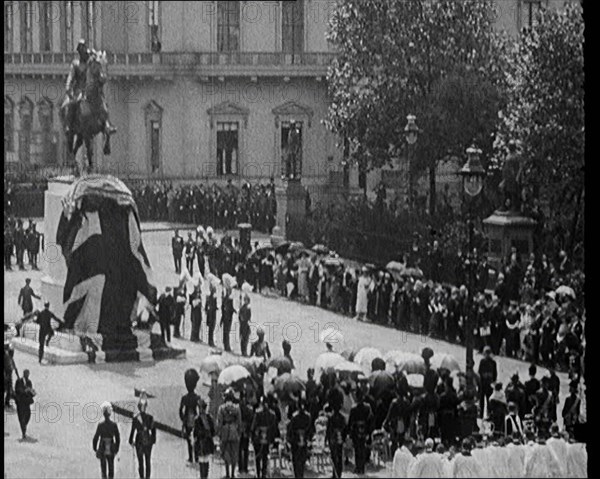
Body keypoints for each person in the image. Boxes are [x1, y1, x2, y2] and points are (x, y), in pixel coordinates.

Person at [61, 39, 91, 134]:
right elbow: (71, 77)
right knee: (71, 105)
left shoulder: (90, 64)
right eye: (81, 50)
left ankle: (105, 124)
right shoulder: (75, 64)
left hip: (89, 89)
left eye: (84, 49)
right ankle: (69, 124)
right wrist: (68, 88)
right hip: (78, 90)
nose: (83, 52)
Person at [216, 388, 242, 479]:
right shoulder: (237, 408)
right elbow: (239, 422)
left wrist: (218, 433)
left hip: (225, 431)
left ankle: (227, 473)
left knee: (226, 451)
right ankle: (232, 474)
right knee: (234, 452)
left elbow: (219, 422)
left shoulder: (222, 408)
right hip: (234, 431)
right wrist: (239, 433)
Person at [251, 394, 278, 479]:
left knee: (258, 457)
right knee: (265, 457)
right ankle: (263, 474)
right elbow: (274, 429)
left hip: (258, 438)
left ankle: (259, 474)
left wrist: (252, 437)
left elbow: (253, 427)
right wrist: (272, 440)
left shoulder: (257, 413)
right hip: (267, 438)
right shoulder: (272, 415)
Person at [128, 399, 156, 479]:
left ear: (139, 407)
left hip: (139, 441)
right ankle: (148, 477)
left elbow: (132, 431)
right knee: (148, 461)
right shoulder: (150, 418)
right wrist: (153, 440)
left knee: (140, 462)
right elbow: (153, 430)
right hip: (148, 440)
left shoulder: (136, 418)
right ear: (146, 407)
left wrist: (131, 441)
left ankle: (141, 477)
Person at [348, 389, 373, 475]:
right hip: (365, 428)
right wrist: (369, 432)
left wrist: (349, 433)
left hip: (356, 430)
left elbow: (351, 421)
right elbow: (370, 420)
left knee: (357, 449)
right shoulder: (367, 407)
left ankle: (358, 467)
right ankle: (361, 467)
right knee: (363, 448)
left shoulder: (353, 408)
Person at [93, 402, 121, 479]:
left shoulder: (100, 425)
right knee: (111, 466)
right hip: (111, 447)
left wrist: (95, 448)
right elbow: (118, 438)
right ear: (110, 413)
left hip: (102, 446)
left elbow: (96, 437)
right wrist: (117, 448)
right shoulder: (114, 425)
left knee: (103, 467)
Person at [287, 395, 312, 478]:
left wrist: (289, 440)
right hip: (304, 440)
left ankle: (298, 476)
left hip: (296, 441)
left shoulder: (294, 416)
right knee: (302, 461)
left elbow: (290, 430)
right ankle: (300, 475)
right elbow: (310, 430)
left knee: (296, 461)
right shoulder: (308, 417)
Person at [179, 371, 201, 463]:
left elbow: (180, 410)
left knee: (188, 439)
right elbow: (201, 409)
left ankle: (190, 457)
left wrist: (183, 418)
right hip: (195, 419)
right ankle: (196, 456)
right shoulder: (197, 397)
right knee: (196, 438)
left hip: (187, 418)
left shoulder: (184, 398)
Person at [193, 398, 215, 479]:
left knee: (203, 461)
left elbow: (195, 433)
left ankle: (203, 476)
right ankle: (204, 476)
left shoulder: (197, 419)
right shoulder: (209, 418)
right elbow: (213, 431)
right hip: (207, 441)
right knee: (205, 460)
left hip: (201, 442)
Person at [326, 402, 347, 478]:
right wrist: (344, 438)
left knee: (334, 457)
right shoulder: (342, 418)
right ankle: (339, 473)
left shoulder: (331, 418)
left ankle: (335, 474)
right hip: (340, 438)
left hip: (333, 439)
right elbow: (345, 429)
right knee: (340, 455)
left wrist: (327, 440)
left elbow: (328, 430)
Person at [14, 369, 35, 440]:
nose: (27, 376)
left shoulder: (29, 382)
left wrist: (32, 392)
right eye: (26, 374)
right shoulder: (18, 381)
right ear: (23, 374)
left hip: (26, 403)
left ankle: (24, 427)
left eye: (28, 374)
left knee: (28, 416)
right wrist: (25, 391)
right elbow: (17, 390)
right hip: (20, 402)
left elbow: (31, 390)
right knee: (21, 418)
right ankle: (23, 433)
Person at [477, 346, 497, 417]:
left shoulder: (493, 363)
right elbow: (479, 372)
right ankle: (481, 414)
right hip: (483, 383)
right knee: (481, 400)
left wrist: (493, 382)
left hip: (489, 384)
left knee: (489, 400)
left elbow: (495, 374)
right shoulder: (482, 362)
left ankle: (489, 414)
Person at [238, 391, 254, 474]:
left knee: (241, 450)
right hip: (245, 431)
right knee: (244, 449)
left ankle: (241, 468)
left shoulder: (237, 408)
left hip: (241, 431)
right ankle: (244, 468)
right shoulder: (249, 409)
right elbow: (251, 420)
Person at [221, 283, 235, 352]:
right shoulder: (229, 299)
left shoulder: (225, 297)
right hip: (228, 317)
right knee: (227, 331)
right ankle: (227, 346)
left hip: (225, 316)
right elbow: (230, 308)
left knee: (225, 331)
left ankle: (226, 344)